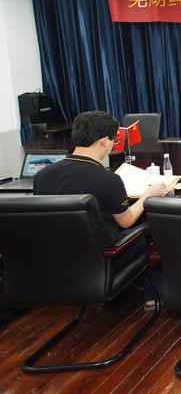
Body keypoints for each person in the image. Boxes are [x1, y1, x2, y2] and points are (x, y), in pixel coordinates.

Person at [33, 110, 166, 307]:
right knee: (149, 228)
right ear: (104, 141)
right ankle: (151, 297)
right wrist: (147, 195)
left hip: (57, 258)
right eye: (114, 140)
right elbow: (126, 221)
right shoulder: (109, 180)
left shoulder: (42, 176)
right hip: (104, 258)